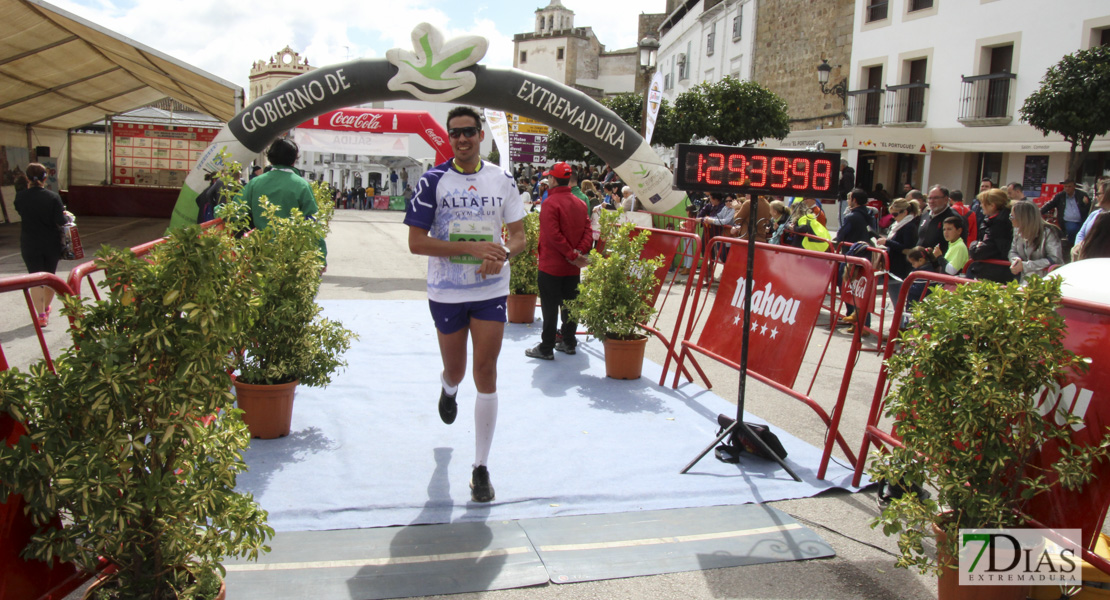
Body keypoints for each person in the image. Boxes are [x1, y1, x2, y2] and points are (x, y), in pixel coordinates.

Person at [404, 106, 526, 503]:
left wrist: (503, 253)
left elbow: (520, 236)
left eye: (469, 132)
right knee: (457, 369)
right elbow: (416, 243)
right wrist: (471, 247)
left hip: (490, 290)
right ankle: (447, 386)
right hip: (446, 291)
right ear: (449, 138)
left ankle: (481, 468)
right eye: (454, 133)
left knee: (486, 371)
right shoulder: (432, 181)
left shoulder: (501, 179)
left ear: (481, 136)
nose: (462, 139)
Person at [525, 162, 593, 360]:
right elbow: (588, 230)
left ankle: (547, 347)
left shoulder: (550, 203)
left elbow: (553, 236)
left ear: (553, 179)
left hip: (552, 264)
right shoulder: (580, 203)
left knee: (550, 306)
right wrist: (578, 253)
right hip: (572, 266)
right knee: (570, 305)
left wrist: (572, 254)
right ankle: (569, 341)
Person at [238, 138, 327, 259]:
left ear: (270, 157)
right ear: (294, 160)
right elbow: (313, 223)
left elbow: (235, 212)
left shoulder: (254, 183)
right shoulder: (301, 185)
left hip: (259, 253)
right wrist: (320, 257)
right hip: (291, 255)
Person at [14, 163, 66, 327]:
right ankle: (46, 308)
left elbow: (21, 211)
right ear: (45, 178)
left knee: (35, 278)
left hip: (29, 243)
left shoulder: (20, 197)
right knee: (49, 276)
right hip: (51, 242)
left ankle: (41, 314)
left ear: (27, 178)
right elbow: (61, 221)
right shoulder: (53, 197)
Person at [876, 198, 920, 304]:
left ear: (905, 212)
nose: (893, 217)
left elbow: (907, 247)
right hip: (893, 267)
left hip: (900, 268)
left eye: (895, 214)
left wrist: (887, 242)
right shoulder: (898, 225)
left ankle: (902, 320)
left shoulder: (909, 226)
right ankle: (901, 320)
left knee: (899, 303)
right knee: (897, 301)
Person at [966, 188, 1014, 283]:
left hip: (995, 274)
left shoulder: (1000, 224)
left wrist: (973, 245)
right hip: (990, 271)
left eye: (983, 203)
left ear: (992, 206)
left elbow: (979, 252)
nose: (980, 206)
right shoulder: (991, 220)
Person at [1010, 200, 1064, 282]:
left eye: (1012, 217)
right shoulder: (1017, 230)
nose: (1010, 219)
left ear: (1023, 218)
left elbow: (1055, 259)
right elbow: (1013, 251)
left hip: (1046, 281)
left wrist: (1026, 266)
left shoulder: (1049, 232)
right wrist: (1016, 261)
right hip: (1025, 280)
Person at [1040, 178, 1092, 255]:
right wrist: (1038, 212)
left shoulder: (1082, 195)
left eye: (1069, 186)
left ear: (1074, 186)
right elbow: (1049, 205)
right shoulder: (1060, 196)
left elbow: (1089, 208)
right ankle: (1072, 247)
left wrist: (1087, 203)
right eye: (1066, 186)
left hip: (1081, 220)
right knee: (1072, 229)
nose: (1067, 188)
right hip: (1068, 221)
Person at [1073, 183, 1110, 260]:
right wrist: (1078, 246)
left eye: (1099, 193)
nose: (1096, 196)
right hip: (1086, 255)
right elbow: (1081, 233)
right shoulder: (1094, 214)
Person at [918, 185, 956, 255]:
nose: (931, 201)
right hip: (919, 262)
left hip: (939, 263)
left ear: (946, 199)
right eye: (929, 198)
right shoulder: (925, 215)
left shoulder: (953, 218)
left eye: (936, 198)